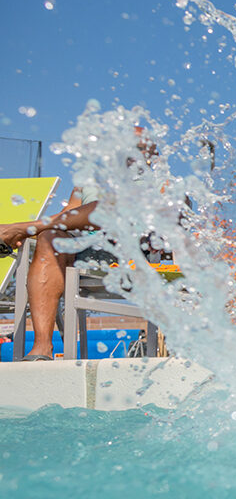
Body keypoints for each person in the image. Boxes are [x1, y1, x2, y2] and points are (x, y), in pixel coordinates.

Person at [0, 130, 160, 361]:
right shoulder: (88, 182)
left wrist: (26, 229)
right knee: (49, 237)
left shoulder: (155, 182)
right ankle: (42, 347)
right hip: (86, 249)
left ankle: (24, 227)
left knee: (110, 205)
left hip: (131, 251)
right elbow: (68, 217)